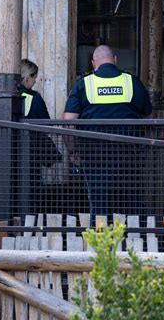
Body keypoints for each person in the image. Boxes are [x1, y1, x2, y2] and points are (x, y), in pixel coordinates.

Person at [63, 45, 152, 220]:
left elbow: (68, 123)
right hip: (129, 156)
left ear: (93, 63)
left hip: (94, 156)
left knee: (99, 204)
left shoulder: (84, 84)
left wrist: (73, 152)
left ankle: (100, 241)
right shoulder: (131, 82)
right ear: (115, 60)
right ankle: (133, 242)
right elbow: (149, 116)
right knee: (131, 203)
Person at [19, 59, 61, 214]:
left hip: (6, 156)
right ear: (27, 77)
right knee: (33, 191)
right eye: (34, 77)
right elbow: (47, 125)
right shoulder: (33, 98)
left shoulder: (1, 96)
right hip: (31, 155)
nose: (35, 81)